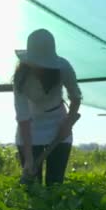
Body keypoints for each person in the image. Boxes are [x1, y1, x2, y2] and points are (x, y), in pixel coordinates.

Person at [13, 28, 82, 186]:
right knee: (32, 185)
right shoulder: (20, 79)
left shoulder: (63, 67)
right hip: (30, 127)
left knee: (55, 184)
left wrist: (67, 123)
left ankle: (55, 208)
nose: (40, 67)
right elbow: (23, 119)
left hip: (58, 123)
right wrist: (29, 159)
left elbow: (75, 97)